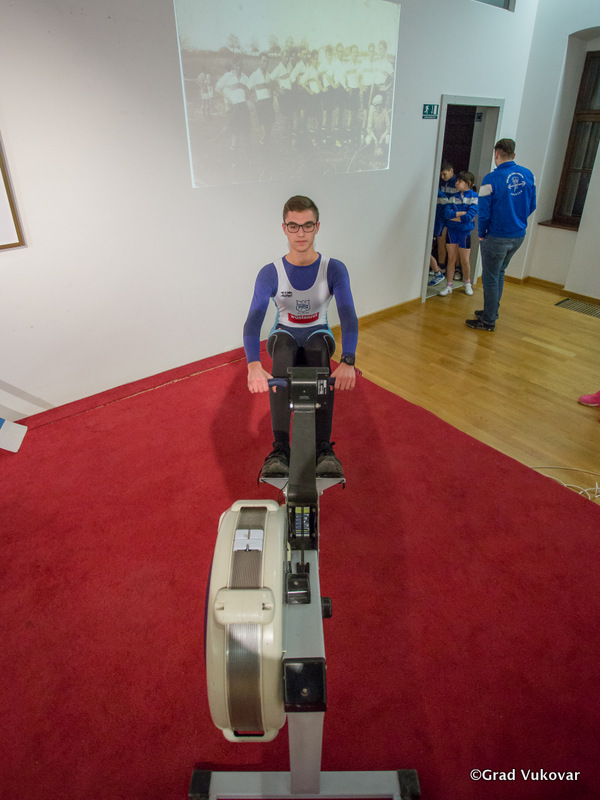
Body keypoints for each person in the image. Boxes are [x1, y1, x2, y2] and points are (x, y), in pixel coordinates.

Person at [243, 196, 358, 479]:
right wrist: (253, 365)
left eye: (307, 225)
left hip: (318, 333)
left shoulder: (333, 268)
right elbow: (253, 321)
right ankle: (280, 450)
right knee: (283, 350)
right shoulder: (270, 272)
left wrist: (348, 361)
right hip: (284, 333)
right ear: (284, 228)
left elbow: (348, 315)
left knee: (318, 351)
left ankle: (323, 449)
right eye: (293, 226)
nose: (301, 233)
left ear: (317, 227)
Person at [466, 138, 536, 331]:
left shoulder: (491, 179)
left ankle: (488, 321)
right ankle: (492, 311)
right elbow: (532, 205)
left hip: (496, 237)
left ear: (496, 154)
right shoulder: (528, 175)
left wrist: (481, 233)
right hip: (518, 235)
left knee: (490, 278)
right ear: (514, 155)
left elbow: (484, 211)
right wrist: (517, 220)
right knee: (499, 273)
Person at [437, 171, 478, 297]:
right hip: (452, 231)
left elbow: (470, 216)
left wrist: (454, 217)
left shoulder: (474, 197)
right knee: (451, 258)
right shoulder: (453, 197)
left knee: (465, 260)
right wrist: (461, 214)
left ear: (468, 183)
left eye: (459, 181)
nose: (456, 183)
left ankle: (467, 283)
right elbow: (446, 214)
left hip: (464, 233)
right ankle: (449, 285)